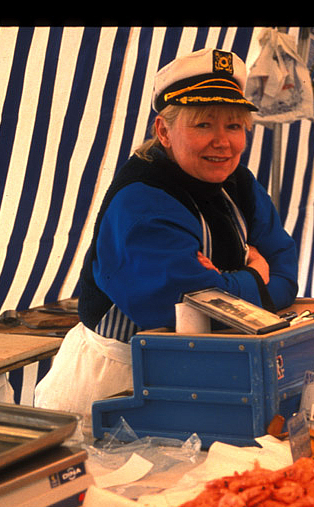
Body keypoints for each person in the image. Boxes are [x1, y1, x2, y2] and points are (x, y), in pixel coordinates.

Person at [34, 48, 299, 431]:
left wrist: (225, 286)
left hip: (196, 377)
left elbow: (286, 270)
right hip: (116, 383)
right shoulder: (142, 197)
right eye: (203, 125)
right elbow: (184, 309)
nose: (222, 142)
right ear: (163, 131)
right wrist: (255, 275)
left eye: (234, 126)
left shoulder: (239, 184)